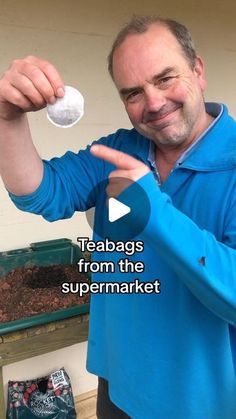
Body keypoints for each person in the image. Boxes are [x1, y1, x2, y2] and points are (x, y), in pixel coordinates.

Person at [0, 15, 236, 419]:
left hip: (199, 402)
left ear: (198, 71)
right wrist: (7, 119)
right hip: (117, 384)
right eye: (133, 93)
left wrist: (154, 214)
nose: (154, 103)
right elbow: (39, 193)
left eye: (165, 79)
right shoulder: (120, 150)